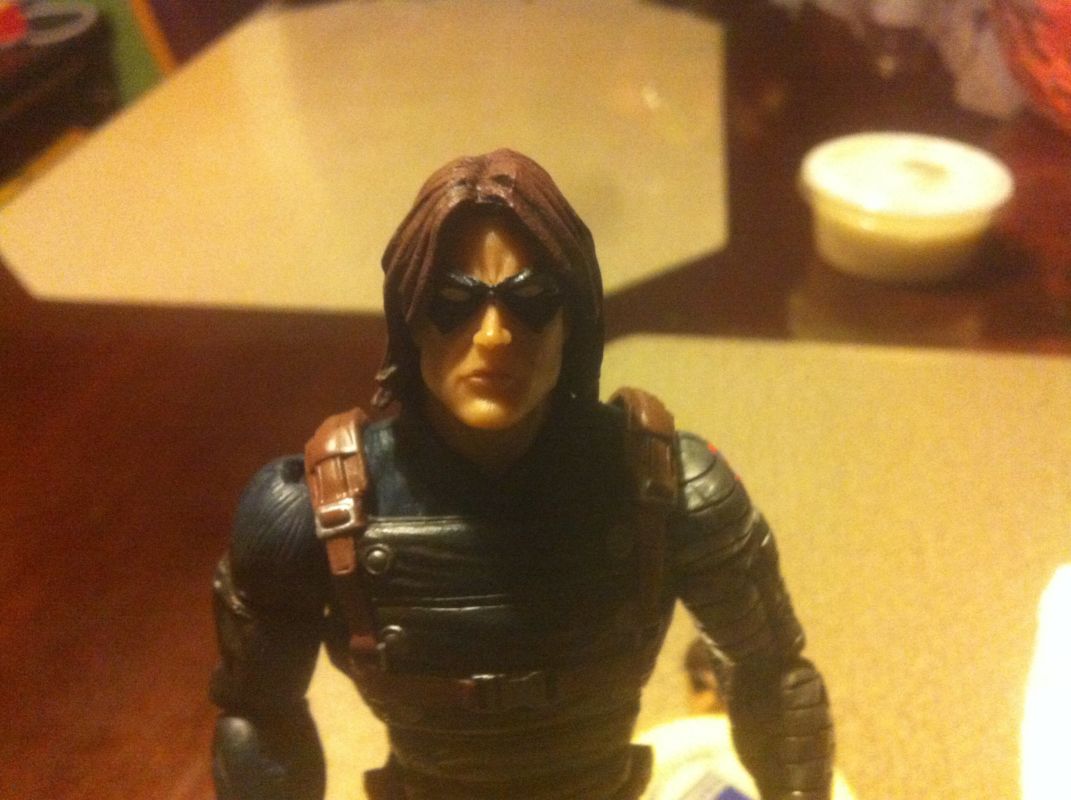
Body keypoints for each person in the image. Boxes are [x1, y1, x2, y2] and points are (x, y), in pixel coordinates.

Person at [209, 149, 833, 800]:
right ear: (411, 316)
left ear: (572, 320)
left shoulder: (669, 484)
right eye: (453, 300)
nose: (494, 336)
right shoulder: (307, 509)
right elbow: (258, 716)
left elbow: (774, 679)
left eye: (531, 300)